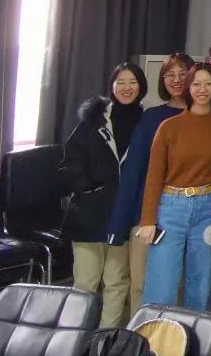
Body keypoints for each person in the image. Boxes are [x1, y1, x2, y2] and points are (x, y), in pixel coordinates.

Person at [59, 62, 146, 328]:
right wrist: (89, 189)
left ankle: (106, 338)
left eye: (132, 82)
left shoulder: (146, 122)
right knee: (85, 283)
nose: (126, 88)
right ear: (112, 86)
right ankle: (75, 335)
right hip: (89, 215)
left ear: (141, 86)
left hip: (122, 217)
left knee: (116, 282)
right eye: (120, 82)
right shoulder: (94, 120)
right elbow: (70, 161)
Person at [106, 51, 193, 315]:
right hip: (151, 211)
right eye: (170, 75)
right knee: (142, 285)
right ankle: (141, 334)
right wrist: (122, 220)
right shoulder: (152, 117)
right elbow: (134, 172)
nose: (177, 80)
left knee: (186, 285)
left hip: (197, 211)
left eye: (183, 74)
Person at [137, 63, 211, 311]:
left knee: (203, 281)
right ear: (188, 88)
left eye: (208, 84)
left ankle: (197, 333)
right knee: (161, 281)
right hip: (170, 207)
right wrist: (148, 220)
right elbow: (154, 176)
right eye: (196, 84)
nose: (202, 89)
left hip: (208, 208)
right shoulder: (169, 127)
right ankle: (156, 333)